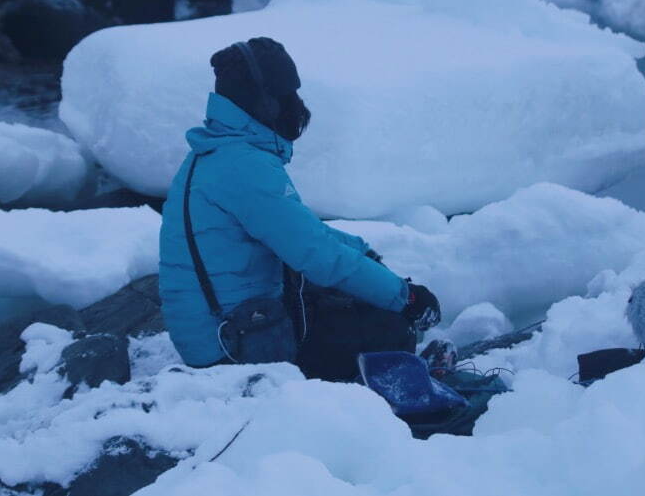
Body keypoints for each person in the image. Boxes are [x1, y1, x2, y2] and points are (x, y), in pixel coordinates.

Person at [158, 36, 441, 380]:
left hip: (228, 325)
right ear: (263, 103)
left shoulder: (221, 154)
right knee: (389, 328)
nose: (297, 106)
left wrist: (362, 251)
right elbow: (318, 256)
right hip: (231, 348)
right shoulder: (243, 167)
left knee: (342, 296)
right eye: (287, 96)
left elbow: (304, 232)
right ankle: (390, 389)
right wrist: (407, 298)